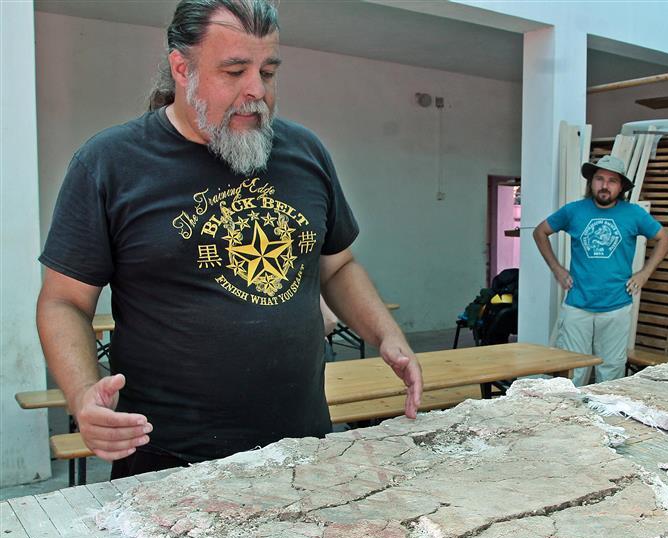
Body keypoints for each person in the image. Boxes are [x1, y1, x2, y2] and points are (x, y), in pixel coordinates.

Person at [36, 0, 422, 478]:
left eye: (268, 70)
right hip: (167, 460)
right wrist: (82, 395)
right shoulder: (110, 164)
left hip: (302, 449)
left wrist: (387, 335)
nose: (256, 91)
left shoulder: (305, 152)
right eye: (234, 71)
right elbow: (63, 302)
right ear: (182, 68)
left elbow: (337, 266)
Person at [533, 155, 668, 385]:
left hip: (616, 305)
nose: (605, 185)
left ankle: (604, 418)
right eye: (599, 179)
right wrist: (556, 269)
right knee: (572, 371)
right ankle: (569, 417)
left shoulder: (633, 213)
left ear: (621, 187)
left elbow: (664, 238)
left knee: (611, 372)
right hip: (578, 304)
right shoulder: (573, 211)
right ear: (591, 182)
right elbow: (540, 232)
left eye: (612, 181)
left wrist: (644, 273)